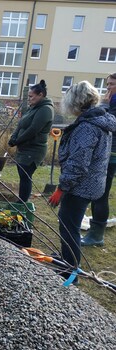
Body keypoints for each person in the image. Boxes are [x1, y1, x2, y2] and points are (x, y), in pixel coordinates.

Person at [48, 81, 116, 283]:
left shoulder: (86, 128)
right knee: (70, 223)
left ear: (76, 103)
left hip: (81, 187)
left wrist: (61, 189)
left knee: (69, 226)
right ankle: (67, 261)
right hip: (92, 183)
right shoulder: (101, 120)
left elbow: (78, 164)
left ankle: (70, 273)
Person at [82, 73, 116, 246]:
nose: (108, 87)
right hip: (108, 154)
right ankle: (96, 234)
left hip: (110, 155)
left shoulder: (114, 102)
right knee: (99, 194)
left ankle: (96, 236)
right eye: (107, 84)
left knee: (100, 195)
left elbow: (108, 121)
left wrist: (104, 104)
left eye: (111, 84)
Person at [8, 80, 54, 203]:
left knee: (26, 176)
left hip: (34, 149)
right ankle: (21, 200)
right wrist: (14, 137)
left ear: (40, 95)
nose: (29, 99)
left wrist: (17, 141)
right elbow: (21, 124)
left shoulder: (46, 109)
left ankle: (22, 202)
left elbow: (33, 129)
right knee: (22, 175)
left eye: (31, 96)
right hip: (24, 147)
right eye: (28, 96)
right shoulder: (33, 108)